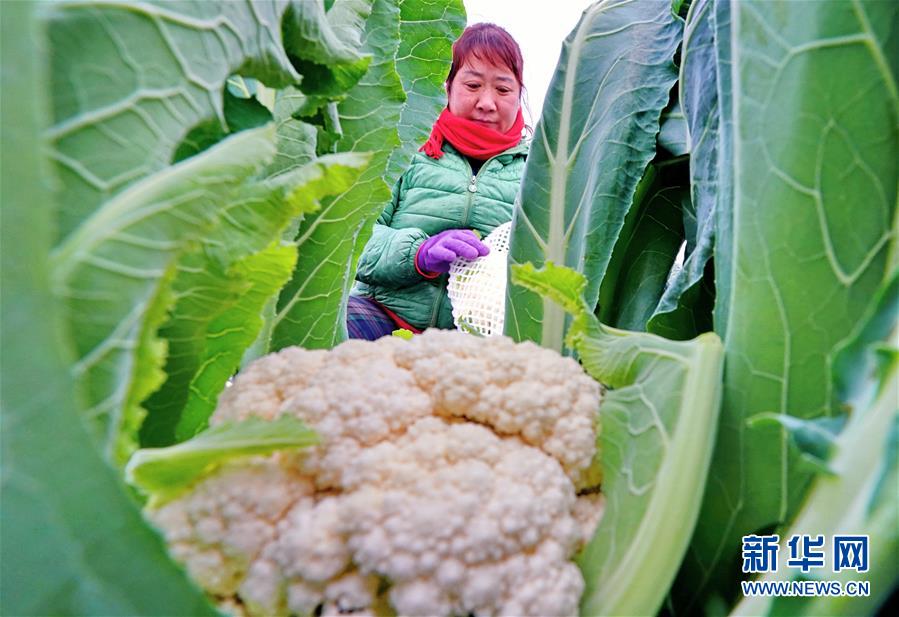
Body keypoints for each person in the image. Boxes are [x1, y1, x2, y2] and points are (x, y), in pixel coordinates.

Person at [347, 23, 528, 340]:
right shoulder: (406, 150)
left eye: (502, 90)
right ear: (447, 88)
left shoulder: (534, 175)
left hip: (476, 341)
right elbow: (354, 240)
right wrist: (419, 253)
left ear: (518, 96)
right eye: (473, 85)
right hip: (386, 315)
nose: (487, 102)